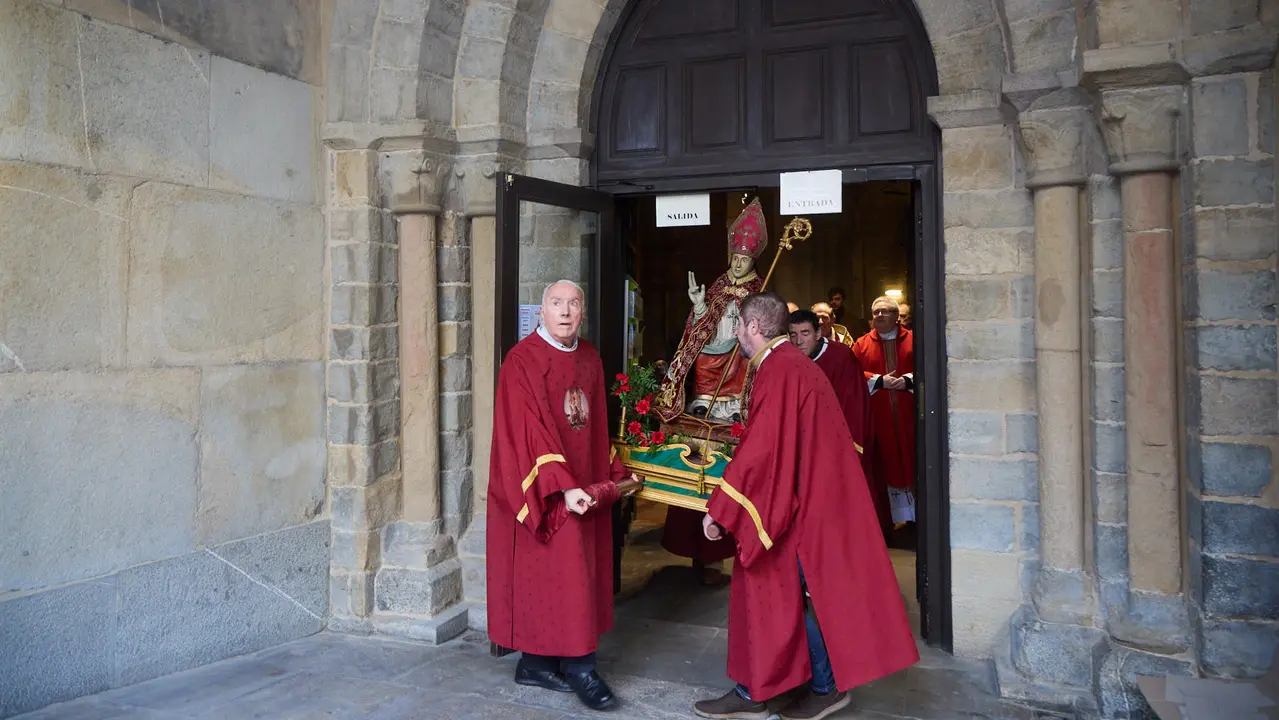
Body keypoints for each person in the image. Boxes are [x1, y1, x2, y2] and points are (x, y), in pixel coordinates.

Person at [692, 292, 918, 720]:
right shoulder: (791, 365)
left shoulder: (780, 370)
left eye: (739, 326)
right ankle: (782, 686)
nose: (736, 333)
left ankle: (793, 688)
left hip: (800, 507)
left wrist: (720, 508)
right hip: (807, 499)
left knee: (772, 592)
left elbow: (763, 450)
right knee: (784, 598)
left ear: (755, 327)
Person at [487, 280, 643, 712]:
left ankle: (535, 664)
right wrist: (563, 485)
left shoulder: (590, 357)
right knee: (555, 576)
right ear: (541, 311)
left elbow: (592, 426)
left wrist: (613, 470)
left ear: (584, 313)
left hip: (583, 487)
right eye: (556, 304)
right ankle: (580, 668)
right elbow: (527, 430)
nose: (566, 312)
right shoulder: (521, 361)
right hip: (546, 490)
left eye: (574, 304)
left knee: (574, 578)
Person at [655, 198, 768, 423]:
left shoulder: (758, 288)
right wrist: (699, 304)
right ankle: (705, 402)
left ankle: (736, 406)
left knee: (745, 362)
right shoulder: (720, 284)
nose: (737, 265)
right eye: (735, 258)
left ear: (752, 262)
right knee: (701, 358)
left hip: (740, 345)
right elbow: (703, 322)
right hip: (715, 342)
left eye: (743, 260)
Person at [852, 296, 916, 541]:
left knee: (912, 462)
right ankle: (886, 524)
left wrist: (908, 379)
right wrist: (880, 380)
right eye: (876, 312)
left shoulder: (913, 339)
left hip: (910, 417)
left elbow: (930, 365)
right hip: (879, 421)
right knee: (882, 468)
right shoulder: (861, 344)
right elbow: (851, 372)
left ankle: (915, 522)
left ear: (896, 315)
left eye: (885, 312)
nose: (880, 316)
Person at [788, 309, 873, 470]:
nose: (798, 341)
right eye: (793, 334)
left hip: (836, 444)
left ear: (818, 333)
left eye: (805, 333)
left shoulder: (841, 357)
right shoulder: (788, 360)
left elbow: (854, 408)